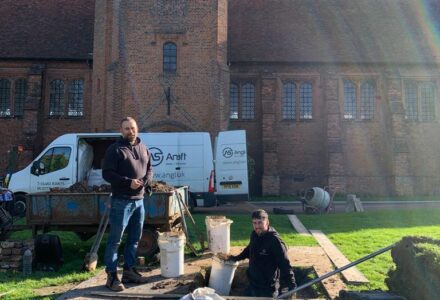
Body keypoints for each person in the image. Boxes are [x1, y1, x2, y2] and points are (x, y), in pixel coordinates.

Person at [102, 117, 153, 292]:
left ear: (136, 128)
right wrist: (127, 182)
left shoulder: (144, 148)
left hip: (139, 201)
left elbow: (149, 169)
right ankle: (111, 276)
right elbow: (107, 174)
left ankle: (129, 271)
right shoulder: (115, 149)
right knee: (115, 241)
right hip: (121, 201)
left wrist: (145, 181)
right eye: (126, 129)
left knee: (134, 239)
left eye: (132, 128)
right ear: (121, 130)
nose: (130, 131)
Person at [228, 209, 296, 297]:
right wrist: (236, 258)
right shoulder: (254, 234)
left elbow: (284, 264)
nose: (257, 226)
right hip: (253, 284)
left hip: (268, 288)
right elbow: (249, 249)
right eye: (254, 223)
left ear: (267, 222)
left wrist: (292, 284)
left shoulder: (274, 241)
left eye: (260, 222)